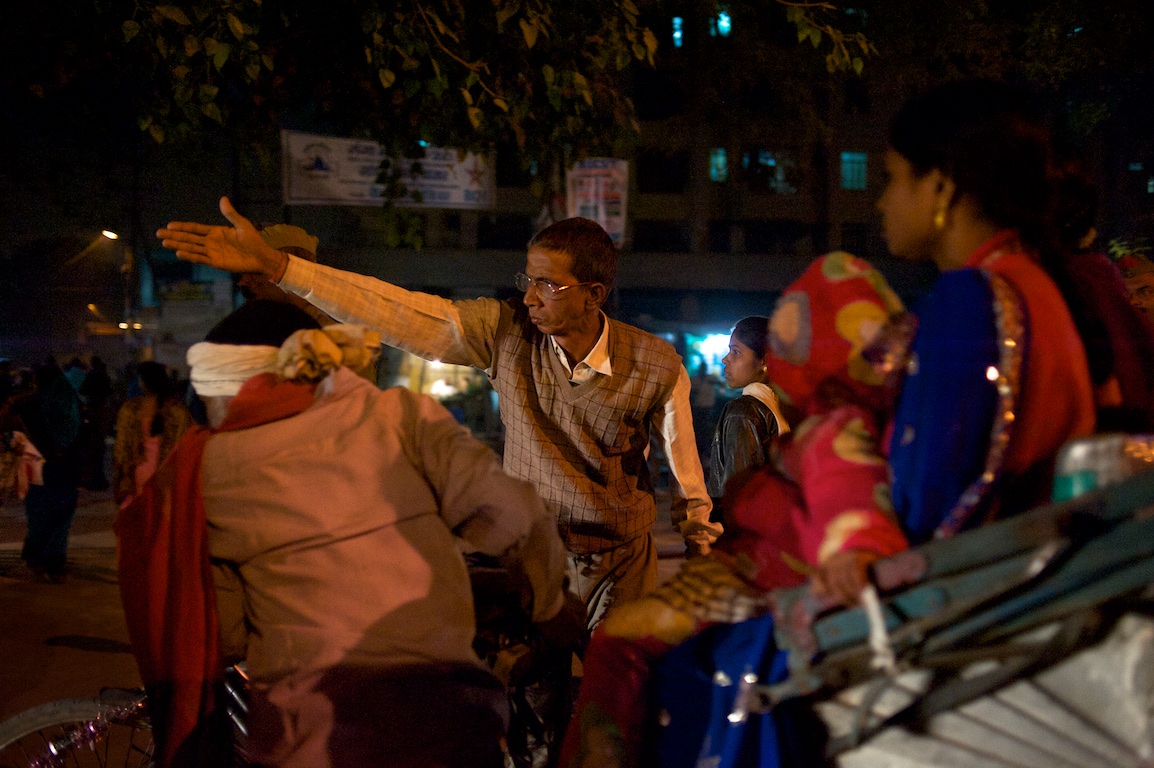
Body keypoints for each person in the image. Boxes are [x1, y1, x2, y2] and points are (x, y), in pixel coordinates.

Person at [158, 201, 719, 629]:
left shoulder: (655, 364)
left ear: (594, 294)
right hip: (534, 548)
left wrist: (699, 533)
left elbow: (683, 463)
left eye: (548, 286)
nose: (528, 298)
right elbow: (400, 312)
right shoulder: (505, 333)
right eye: (528, 280)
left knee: (611, 700)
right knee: (538, 694)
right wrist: (280, 267)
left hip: (620, 557)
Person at [116, 300, 577, 768]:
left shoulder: (209, 472)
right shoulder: (401, 415)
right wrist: (549, 605)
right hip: (448, 722)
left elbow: (229, 635)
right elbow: (514, 515)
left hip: (313, 741)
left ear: (228, 390)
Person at [560, 252, 910, 768]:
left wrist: (857, 548)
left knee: (619, 640)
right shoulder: (860, 421)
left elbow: (846, 492)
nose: (724, 362)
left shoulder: (827, 426)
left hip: (760, 578)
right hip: (767, 571)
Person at [878, 78, 1095, 551]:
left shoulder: (967, 301)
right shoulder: (1038, 282)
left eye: (893, 178)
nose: (882, 202)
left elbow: (927, 500)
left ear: (940, 186)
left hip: (962, 592)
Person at [705, 316, 788, 524]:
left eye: (736, 352)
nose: (726, 359)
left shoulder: (743, 411)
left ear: (764, 361)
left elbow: (739, 493)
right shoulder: (778, 406)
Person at [14, 358, 84, 583]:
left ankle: (37, 557)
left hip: (38, 466)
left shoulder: (29, 404)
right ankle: (54, 560)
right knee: (62, 513)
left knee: (39, 513)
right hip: (66, 466)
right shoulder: (71, 400)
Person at [111, 361, 194, 506]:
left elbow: (121, 448)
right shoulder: (178, 411)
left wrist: (121, 475)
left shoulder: (130, 409)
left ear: (143, 382)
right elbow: (186, 445)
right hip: (167, 472)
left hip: (138, 471)